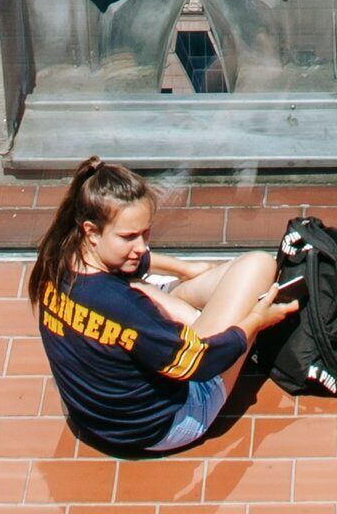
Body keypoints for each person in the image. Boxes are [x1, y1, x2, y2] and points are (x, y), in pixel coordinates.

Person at [29, 159, 297, 455]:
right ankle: (193, 316)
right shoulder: (120, 306)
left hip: (95, 419)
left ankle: (185, 309)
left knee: (145, 282)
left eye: (146, 233)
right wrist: (255, 322)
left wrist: (185, 267)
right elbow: (203, 361)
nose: (142, 247)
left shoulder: (58, 256)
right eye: (129, 237)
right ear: (91, 232)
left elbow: (127, 265)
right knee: (259, 265)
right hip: (163, 425)